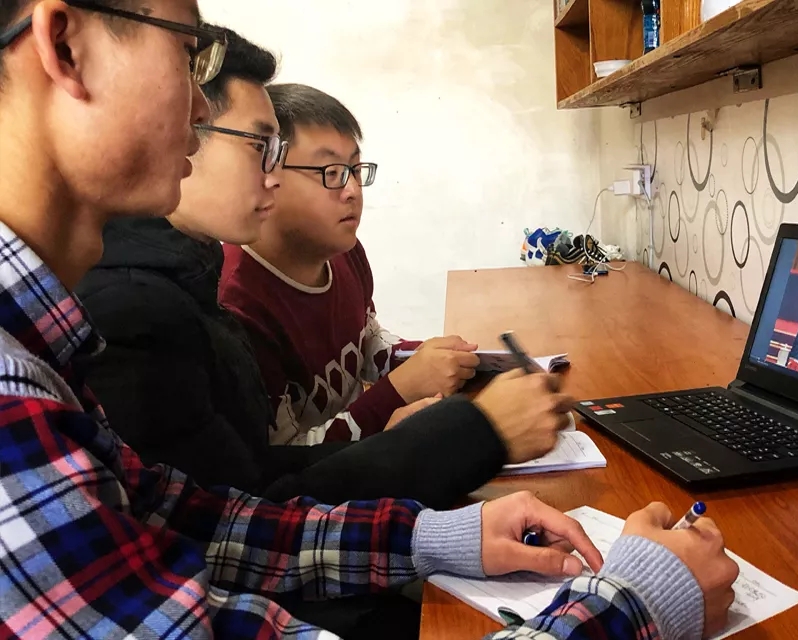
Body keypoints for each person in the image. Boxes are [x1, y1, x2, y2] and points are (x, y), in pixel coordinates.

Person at [0, 2, 739, 639]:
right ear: (64, 47)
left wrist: (439, 535)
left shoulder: (53, 348)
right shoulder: (20, 397)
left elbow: (207, 525)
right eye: (188, 52)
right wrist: (641, 599)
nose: (200, 106)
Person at [72, 27, 559, 510]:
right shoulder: (162, 309)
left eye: (355, 169)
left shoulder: (200, 275)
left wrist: (433, 389)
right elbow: (250, 512)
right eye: (262, 148)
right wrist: (465, 432)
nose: (352, 190)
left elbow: (260, 470)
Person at [219, 84, 481, 447]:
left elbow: (367, 337)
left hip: (363, 458)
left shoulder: (344, 251)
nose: (353, 190)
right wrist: (397, 391)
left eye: (355, 170)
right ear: (268, 175)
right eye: (331, 172)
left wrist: (423, 357)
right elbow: (285, 455)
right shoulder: (236, 306)